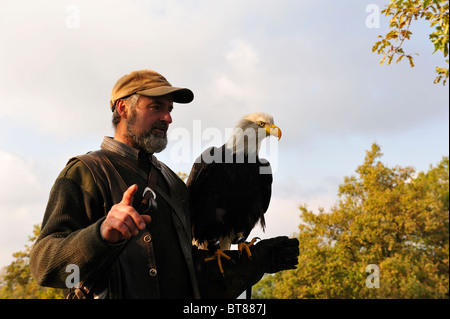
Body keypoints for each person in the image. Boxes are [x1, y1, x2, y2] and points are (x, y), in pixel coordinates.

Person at [30, 69, 299, 299]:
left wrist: (250, 264)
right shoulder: (87, 172)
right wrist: (100, 235)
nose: (168, 118)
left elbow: (187, 271)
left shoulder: (173, 185)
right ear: (123, 108)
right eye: (156, 107)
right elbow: (44, 265)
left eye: (169, 109)